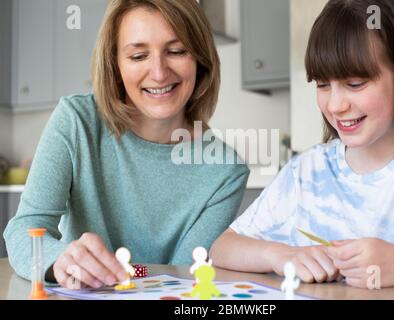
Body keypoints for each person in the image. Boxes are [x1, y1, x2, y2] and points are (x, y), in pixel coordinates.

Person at [4, 0, 249, 289]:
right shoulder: (76, 121)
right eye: (138, 55)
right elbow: (23, 230)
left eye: (177, 51)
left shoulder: (225, 172)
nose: (158, 73)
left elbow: (179, 274)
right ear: (115, 64)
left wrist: (124, 273)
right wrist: (60, 259)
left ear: (200, 59)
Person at [210, 0, 394, 289]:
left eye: (356, 83)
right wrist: (280, 254)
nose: (335, 105)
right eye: (323, 85)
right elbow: (222, 248)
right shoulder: (307, 171)